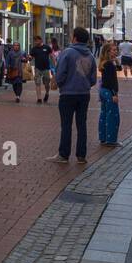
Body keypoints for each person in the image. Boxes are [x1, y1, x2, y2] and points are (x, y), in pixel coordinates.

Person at [46, 27, 98, 164]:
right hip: (84, 94)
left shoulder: (67, 52)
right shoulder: (91, 55)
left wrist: (61, 84)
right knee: (82, 125)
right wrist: (85, 84)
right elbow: (93, 79)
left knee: (66, 125)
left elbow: (60, 73)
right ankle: (81, 155)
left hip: (68, 94)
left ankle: (64, 154)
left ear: (74, 38)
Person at [97, 40, 121, 146]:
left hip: (103, 91)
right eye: (114, 50)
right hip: (109, 91)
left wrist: (116, 61)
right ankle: (111, 140)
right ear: (108, 51)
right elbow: (112, 81)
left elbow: (118, 68)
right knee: (113, 116)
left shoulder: (104, 63)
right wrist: (114, 94)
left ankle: (103, 137)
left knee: (104, 114)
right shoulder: (109, 65)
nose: (116, 52)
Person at [29, 35, 53, 103]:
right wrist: (29, 58)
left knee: (47, 84)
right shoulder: (34, 49)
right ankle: (39, 98)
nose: (35, 42)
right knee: (37, 83)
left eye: (36, 40)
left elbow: (51, 56)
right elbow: (31, 57)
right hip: (38, 68)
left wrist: (55, 65)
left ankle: (47, 93)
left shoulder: (47, 47)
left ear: (40, 40)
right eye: (35, 41)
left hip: (46, 68)